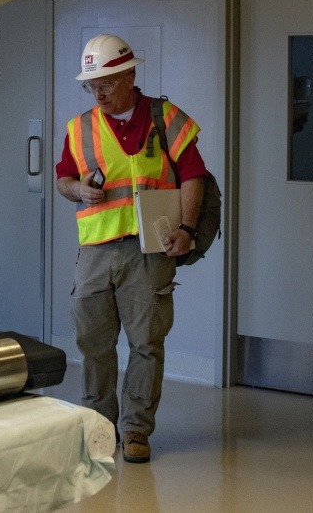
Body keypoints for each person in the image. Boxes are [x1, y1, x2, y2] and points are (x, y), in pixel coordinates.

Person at [55, 34, 206, 464]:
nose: (98, 92)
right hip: (97, 249)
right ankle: (100, 427)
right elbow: (63, 179)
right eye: (91, 85)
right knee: (93, 343)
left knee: (146, 343)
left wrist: (189, 229)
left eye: (105, 82)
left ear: (129, 76)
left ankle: (136, 430)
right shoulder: (80, 128)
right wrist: (77, 190)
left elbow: (193, 174)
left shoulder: (166, 117)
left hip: (150, 248)